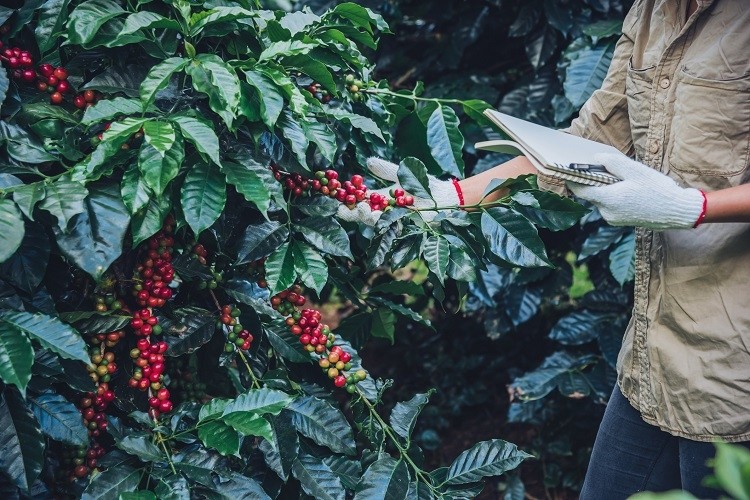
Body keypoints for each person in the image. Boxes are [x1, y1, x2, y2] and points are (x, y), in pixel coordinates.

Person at [339, 0, 750, 497]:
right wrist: (444, 198)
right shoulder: (650, 13)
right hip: (654, 353)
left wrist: (694, 207)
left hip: (734, 372)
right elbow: (586, 143)